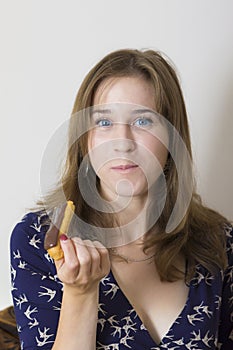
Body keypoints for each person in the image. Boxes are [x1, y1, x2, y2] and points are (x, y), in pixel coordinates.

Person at [10, 49, 233, 350]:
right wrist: (81, 293)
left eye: (143, 121)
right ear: (85, 139)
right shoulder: (37, 242)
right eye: (104, 123)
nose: (123, 143)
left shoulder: (221, 243)